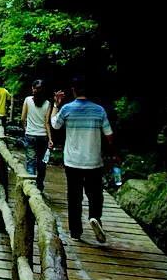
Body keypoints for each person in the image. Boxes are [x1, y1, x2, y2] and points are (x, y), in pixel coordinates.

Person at [50, 76, 114, 243]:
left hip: (72, 161)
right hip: (93, 160)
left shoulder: (67, 109)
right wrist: (113, 153)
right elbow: (109, 135)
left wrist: (56, 104)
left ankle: (75, 231)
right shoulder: (99, 110)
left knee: (74, 195)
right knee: (95, 194)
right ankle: (94, 217)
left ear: (73, 90)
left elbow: (55, 125)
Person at [21, 79, 53, 192]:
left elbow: (22, 118)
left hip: (30, 134)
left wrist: (26, 129)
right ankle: (39, 185)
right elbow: (47, 123)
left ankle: (31, 186)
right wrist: (50, 138)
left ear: (33, 88)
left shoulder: (27, 100)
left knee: (30, 161)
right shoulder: (48, 103)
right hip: (43, 136)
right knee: (41, 162)